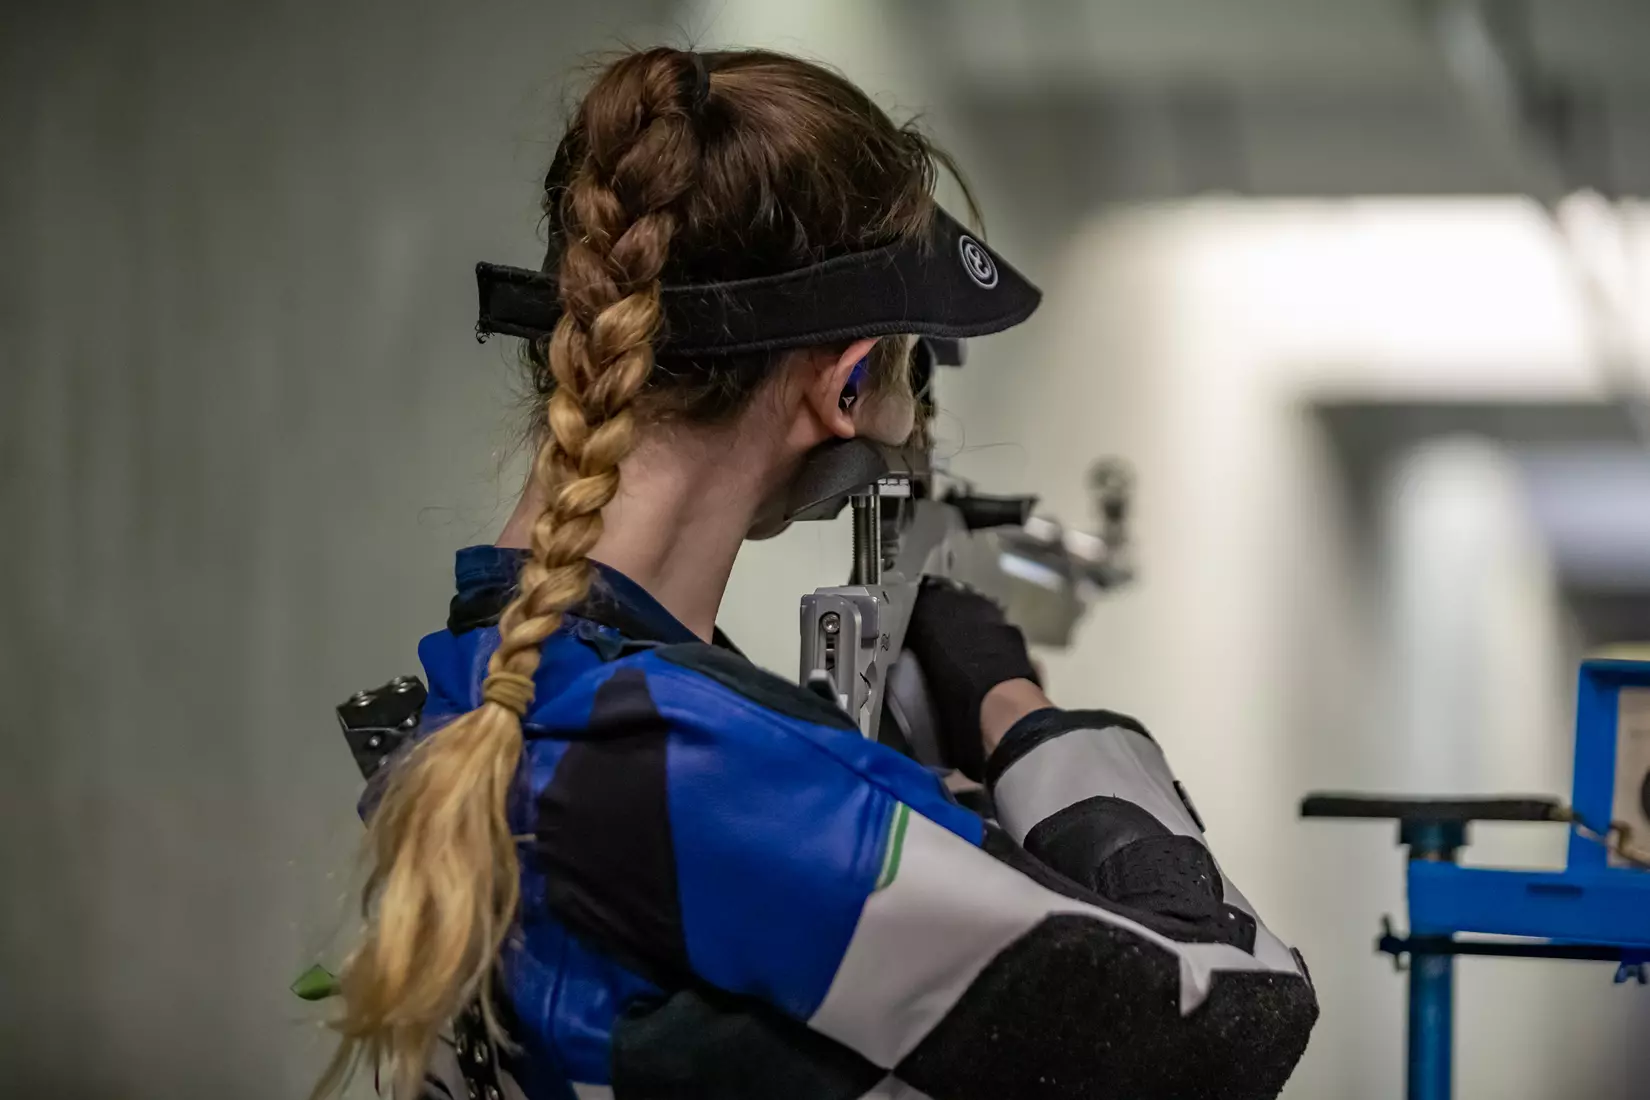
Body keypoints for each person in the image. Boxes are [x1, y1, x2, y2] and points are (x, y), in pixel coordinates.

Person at [319, 46, 1317, 1100]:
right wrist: (1022, 717)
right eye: (900, 372)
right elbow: (1233, 1011)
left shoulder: (479, 688)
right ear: (846, 387)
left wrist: (917, 792)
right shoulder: (687, 769)